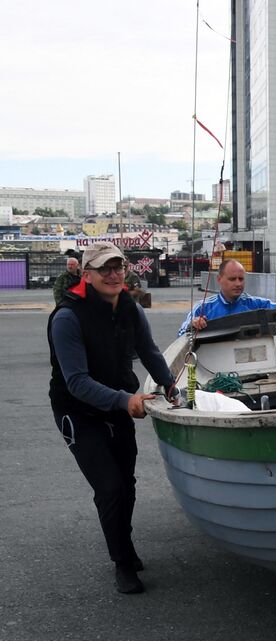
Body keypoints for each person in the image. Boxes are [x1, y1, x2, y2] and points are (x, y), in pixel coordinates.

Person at [47, 243, 178, 595]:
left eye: (118, 267)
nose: (113, 274)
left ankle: (125, 542)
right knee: (109, 487)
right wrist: (125, 400)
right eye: (104, 268)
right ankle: (122, 562)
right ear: (86, 274)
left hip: (120, 404)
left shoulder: (130, 308)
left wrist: (170, 385)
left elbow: (149, 350)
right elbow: (76, 382)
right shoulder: (67, 317)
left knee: (127, 483)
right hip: (78, 410)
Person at [178, 259, 276, 335]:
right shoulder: (203, 307)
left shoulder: (257, 304)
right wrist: (193, 324)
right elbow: (181, 334)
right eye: (232, 279)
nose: (238, 283)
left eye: (241, 279)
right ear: (219, 280)